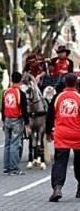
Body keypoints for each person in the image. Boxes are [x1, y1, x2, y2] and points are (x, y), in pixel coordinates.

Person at [45, 73, 80, 202]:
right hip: (77, 134)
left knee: (60, 162)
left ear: (64, 83)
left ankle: (57, 188)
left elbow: (50, 116)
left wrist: (48, 131)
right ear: (76, 83)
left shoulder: (58, 97)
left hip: (61, 134)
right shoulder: (79, 97)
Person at [1, 71, 30, 175]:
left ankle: (6, 167)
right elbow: (24, 110)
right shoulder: (20, 93)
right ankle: (13, 168)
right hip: (17, 120)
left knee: (7, 144)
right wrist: (27, 124)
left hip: (7, 119)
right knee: (15, 144)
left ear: (11, 80)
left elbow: (2, 108)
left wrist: (3, 121)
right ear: (21, 80)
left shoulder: (6, 92)